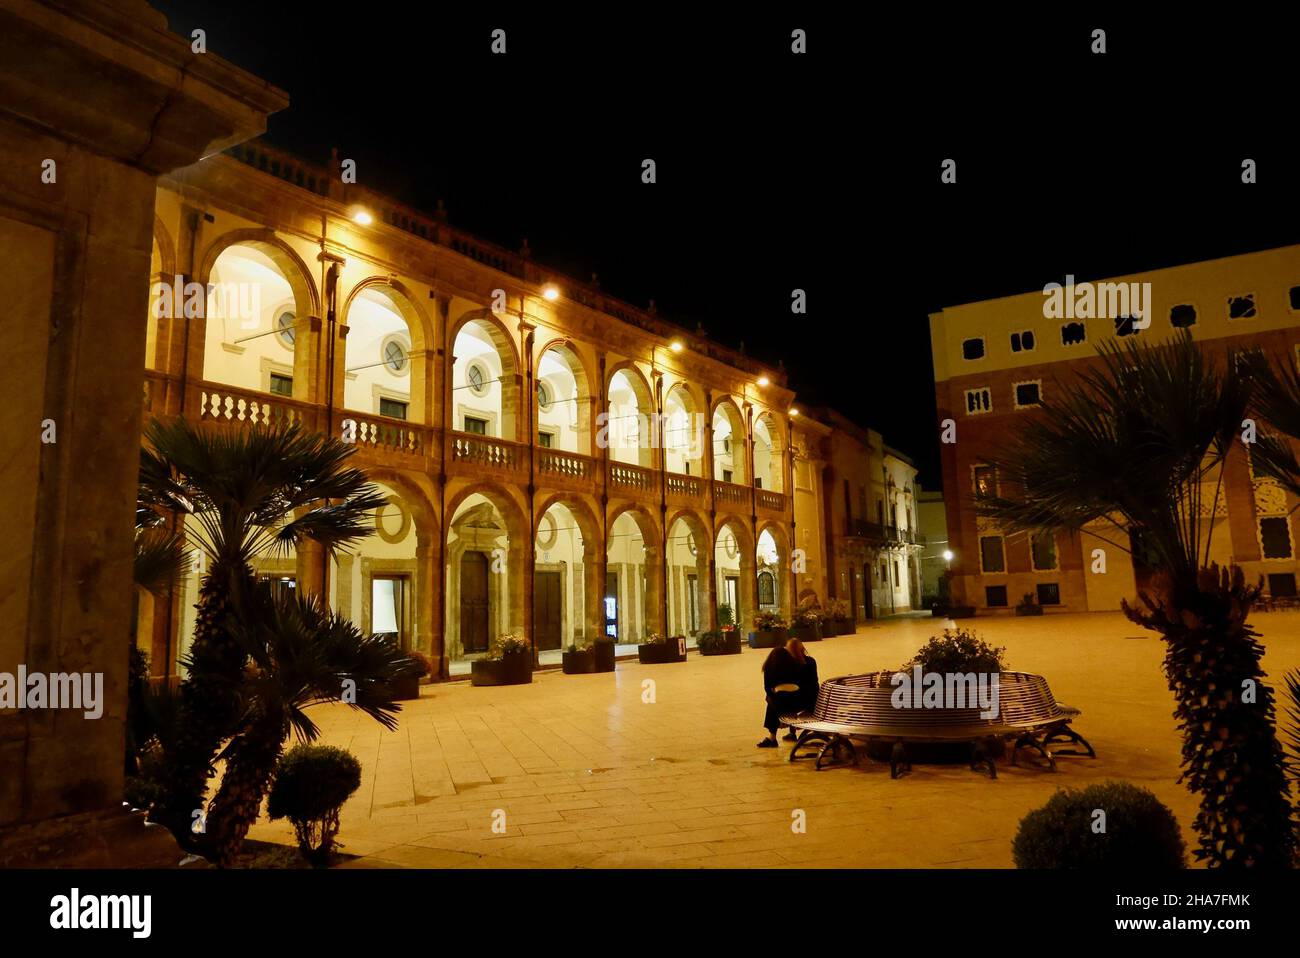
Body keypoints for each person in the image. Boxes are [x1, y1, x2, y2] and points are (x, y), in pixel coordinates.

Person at [758, 644, 802, 748]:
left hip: (779, 701)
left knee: (771, 701)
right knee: (775, 700)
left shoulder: (769, 668)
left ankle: (772, 737)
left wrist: (772, 693)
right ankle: (792, 732)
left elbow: (767, 687)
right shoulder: (793, 665)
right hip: (796, 700)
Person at [782, 639, 819, 742]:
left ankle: (786, 733)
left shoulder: (788, 665)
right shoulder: (811, 661)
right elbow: (814, 681)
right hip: (813, 700)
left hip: (798, 703)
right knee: (793, 695)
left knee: (785, 696)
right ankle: (791, 732)